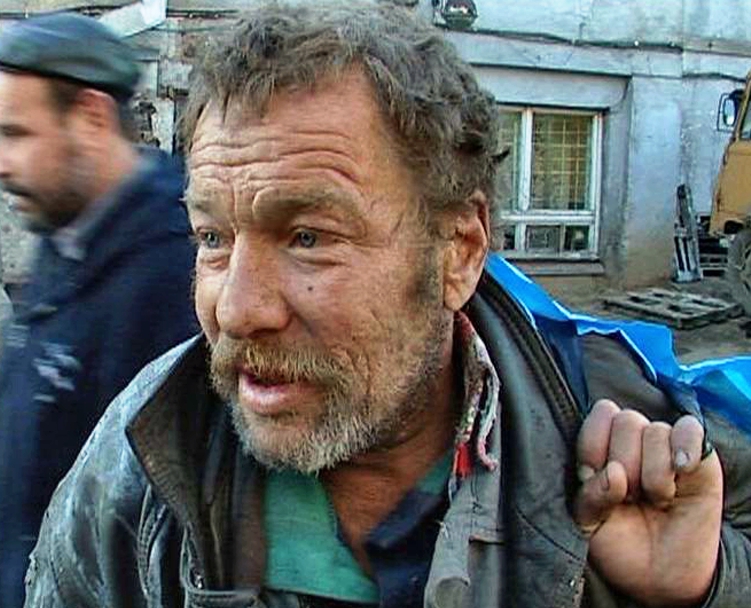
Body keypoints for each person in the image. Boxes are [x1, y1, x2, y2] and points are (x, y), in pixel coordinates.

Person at [23, 2, 751, 607]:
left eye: (307, 237)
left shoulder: (614, 424)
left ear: (459, 251)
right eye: (212, 237)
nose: (237, 311)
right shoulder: (143, 449)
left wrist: (704, 585)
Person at [0, 12, 198, 608]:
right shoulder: (65, 236)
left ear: (90, 117)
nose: (2, 161)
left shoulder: (174, 278)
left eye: (17, 135)